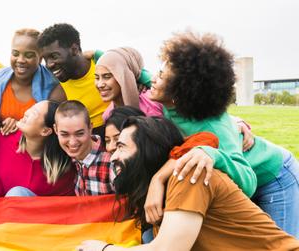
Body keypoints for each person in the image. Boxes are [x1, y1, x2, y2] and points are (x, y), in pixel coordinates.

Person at [147, 31, 299, 237]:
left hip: (275, 178)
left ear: (181, 89)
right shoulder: (167, 101)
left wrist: (212, 154)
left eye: (161, 76)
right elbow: (137, 73)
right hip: (251, 176)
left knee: (281, 243)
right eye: (158, 72)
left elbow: (247, 179)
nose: (153, 79)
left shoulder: (214, 127)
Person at [76, 116, 299, 251]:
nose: (112, 156)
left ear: (147, 152)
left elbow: (168, 249)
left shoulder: (188, 176)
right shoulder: (159, 189)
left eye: (121, 147)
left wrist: (105, 248)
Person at [0, 100, 76, 197]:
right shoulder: (5, 135)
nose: (26, 113)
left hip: (33, 210)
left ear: (45, 131)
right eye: (31, 108)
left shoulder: (62, 168)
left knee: (17, 193)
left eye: (34, 113)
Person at [38, 23, 109, 137]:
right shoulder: (59, 96)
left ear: (74, 49)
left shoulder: (104, 67)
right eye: (45, 59)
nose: (49, 65)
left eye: (54, 56)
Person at [0, 28, 59, 136]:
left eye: (29, 55)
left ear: (40, 58)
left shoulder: (53, 86)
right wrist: (3, 124)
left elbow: (54, 132)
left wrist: (19, 125)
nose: (20, 60)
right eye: (15, 53)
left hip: (33, 150)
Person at [54, 100, 115, 196]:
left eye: (79, 134)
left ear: (90, 128)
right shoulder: (66, 158)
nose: (72, 142)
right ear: (55, 130)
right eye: (64, 134)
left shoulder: (111, 163)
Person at [95, 47, 162, 120]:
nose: (100, 84)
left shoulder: (153, 101)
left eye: (107, 77)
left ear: (124, 75)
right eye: (97, 78)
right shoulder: (108, 116)